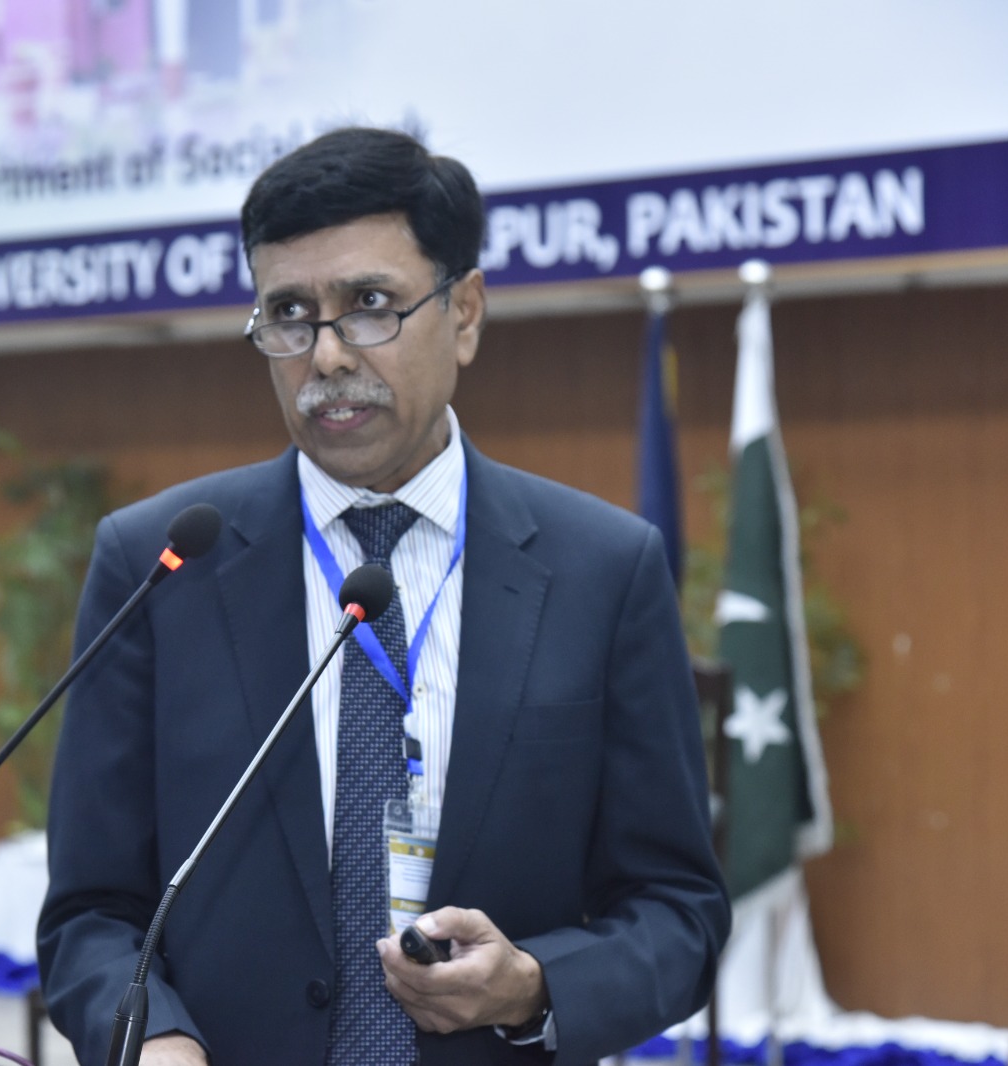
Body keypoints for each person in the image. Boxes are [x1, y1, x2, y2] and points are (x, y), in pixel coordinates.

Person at [37, 127, 729, 1065]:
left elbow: (679, 916)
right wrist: (152, 1037)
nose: (325, 356)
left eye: (369, 306)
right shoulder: (164, 563)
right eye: (289, 313)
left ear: (465, 313)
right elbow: (88, 914)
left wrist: (533, 985)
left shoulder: (602, 570)